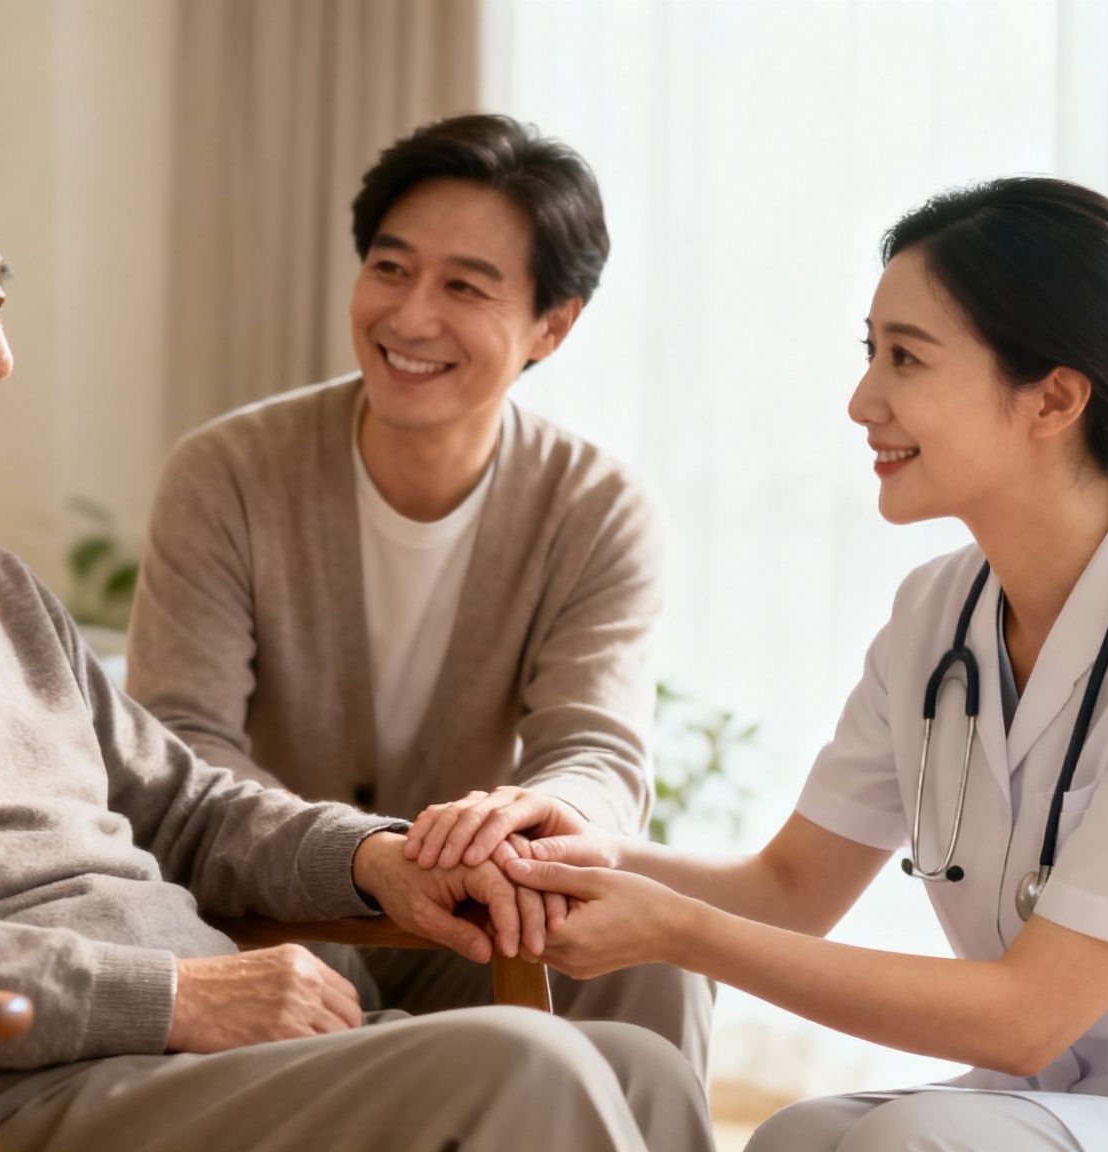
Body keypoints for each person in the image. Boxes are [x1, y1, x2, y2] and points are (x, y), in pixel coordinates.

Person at [0, 114, 713, 1152]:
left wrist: (373, 859)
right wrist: (167, 998)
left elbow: (185, 804)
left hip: (161, 1054)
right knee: (525, 1064)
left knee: (645, 1068)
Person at [487, 175, 1108, 1151]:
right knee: (794, 1137)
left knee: (908, 1147)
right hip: (1070, 1092)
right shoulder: (936, 614)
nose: (863, 399)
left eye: (905, 357)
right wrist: (581, 854)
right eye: (869, 351)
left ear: (1052, 398)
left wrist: (672, 931)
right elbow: (786, 891)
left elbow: (1024, 1015)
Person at [126, 113, 712, 1075]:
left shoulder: (597, 507)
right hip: (273, 902)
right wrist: (363, 859)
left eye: (465, 287)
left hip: (475, 911)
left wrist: (507, 834)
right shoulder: (226, 473)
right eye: (391, 269)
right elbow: (183, 742)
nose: (409, 317)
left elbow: (595, 753)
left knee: (660, 960)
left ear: (552, 327)